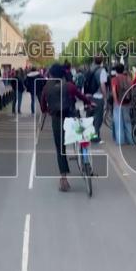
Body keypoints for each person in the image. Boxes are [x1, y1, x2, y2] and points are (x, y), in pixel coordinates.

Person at [40, 63, 95, 192]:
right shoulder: (69, 86)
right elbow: (81, 97)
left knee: (60, 149)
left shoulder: (46, 88)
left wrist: (48, 111)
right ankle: (85, 159)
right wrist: (89, 103)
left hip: (57, 120)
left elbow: (43, 106)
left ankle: (63, 179)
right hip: (71, 117)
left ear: (51, 74)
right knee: (83, 136)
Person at [84, 55, 108, 143]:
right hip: (98, 96)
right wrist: (105, 97)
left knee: (89, 116)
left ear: (94, 60)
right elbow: (102, 85)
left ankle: (88, 135)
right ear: (102, 61)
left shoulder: (89, 69)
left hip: (88, 96)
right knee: (97, 118)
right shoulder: (102, 71)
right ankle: (95, 137)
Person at [112, 63, 135, 146]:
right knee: (127, 122)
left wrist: (116, 102)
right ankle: (130, 140)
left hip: (118, 103)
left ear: (116, 70)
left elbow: (114, 91)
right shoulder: (128, 78)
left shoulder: (114, 79)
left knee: (118, 122)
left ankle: (120, 141)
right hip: (127, 103)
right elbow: (132, 89)